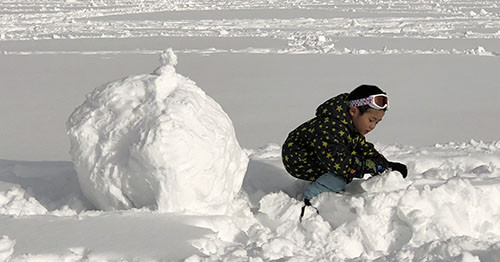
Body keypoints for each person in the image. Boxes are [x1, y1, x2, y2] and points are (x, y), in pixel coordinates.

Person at [282, 84, 407, 206]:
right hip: (299, 160)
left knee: (352, 159)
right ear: (353, 111)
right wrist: (369, 166)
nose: (372, 126)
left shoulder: (350, 126)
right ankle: (313, 199)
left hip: (321, 154)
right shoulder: (330, 127)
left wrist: (384, 164)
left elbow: (362, 147)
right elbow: (338, 162)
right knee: (342, 175)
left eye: (377, 122)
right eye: (371, 120)